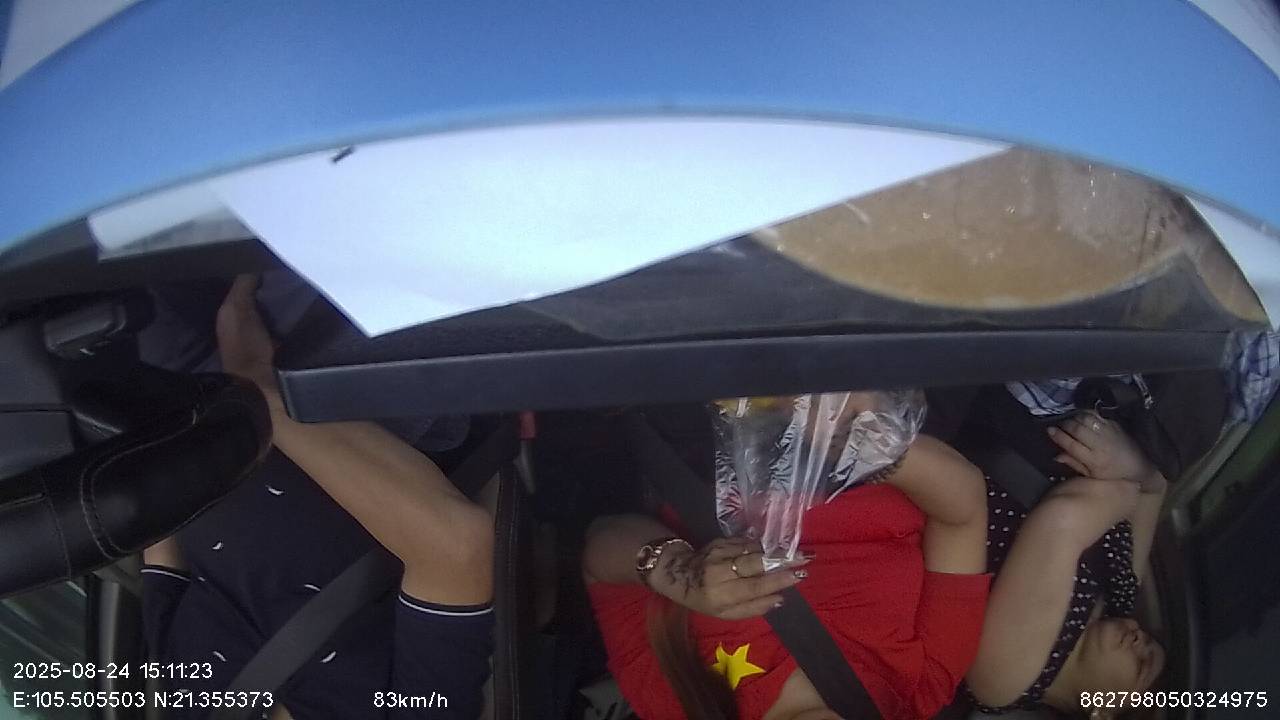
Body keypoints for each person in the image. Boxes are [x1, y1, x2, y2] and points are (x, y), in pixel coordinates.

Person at [141, 276, 494, 719]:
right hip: (356, 390)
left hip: (197, 406)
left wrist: (161, 422)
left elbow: (160, 541)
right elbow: (454, 545)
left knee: (116, 259)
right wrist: (259, 388)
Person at [584, 432, 992, 720]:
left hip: (703, 443)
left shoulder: (676, 704)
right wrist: (862, 433)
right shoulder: (917, 691)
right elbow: (963, 512)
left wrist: (679, 573)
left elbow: (599, 551)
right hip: (872, 436)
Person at [965, 411, 1167, 719]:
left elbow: (1060, 523)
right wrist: (1133, 467)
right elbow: (1155, 487)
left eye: (1141, 665)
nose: (1139, 637)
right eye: (1148, 640)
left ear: (1102, 710)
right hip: (1040, 414)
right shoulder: (1119, 599)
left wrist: (1122, 491)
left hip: (966, 429)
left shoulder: (1004, 683)